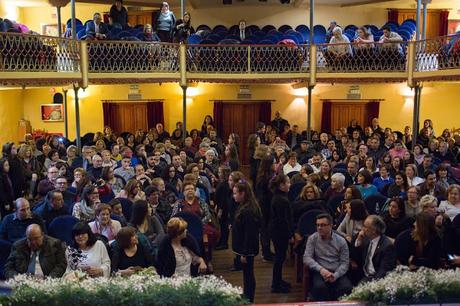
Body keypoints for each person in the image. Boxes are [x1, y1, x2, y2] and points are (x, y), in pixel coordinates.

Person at [303, 213, 352, 301]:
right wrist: (321, 270)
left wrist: (336, 275)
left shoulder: (341, 241)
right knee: (320, 288)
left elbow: (345, 263)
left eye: (323, 225)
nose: (319, 228)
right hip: (320, 271)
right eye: (317, 225)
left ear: (330, 226)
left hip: (337, 271)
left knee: (347, 288)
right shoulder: (312, 239)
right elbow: (307, 258)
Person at [231, 180, 262, 303]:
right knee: (246, 274)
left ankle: (249, 298)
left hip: (247, 248)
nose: (234, 196)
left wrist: (244, 253)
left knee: (249, 274)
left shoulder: (248, 211)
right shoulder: (245, 206)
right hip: (245, 247)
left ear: (242, 193)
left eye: (235, 193)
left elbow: (249, 234)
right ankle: (246, 295)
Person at [269, 174, 293, 293]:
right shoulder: (281, 200)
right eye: (287, 183)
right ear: (281, 185)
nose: (290, 185)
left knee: (280, 258)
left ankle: (278, 280)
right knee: (279, 258)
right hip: (279, 233)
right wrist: (289, 235)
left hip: (278, 231)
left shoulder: (281, 196)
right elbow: (283, 220)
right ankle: (276, 284)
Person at [353, 215, 396, 282]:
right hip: (362, 273)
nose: (362, 229)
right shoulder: (365, 237)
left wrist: (372, 284)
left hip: (374, 278)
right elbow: (356, 256)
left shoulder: (387, 246)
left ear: (373, 230)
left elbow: (383, 270)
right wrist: (359, 240)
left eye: (365, 226)